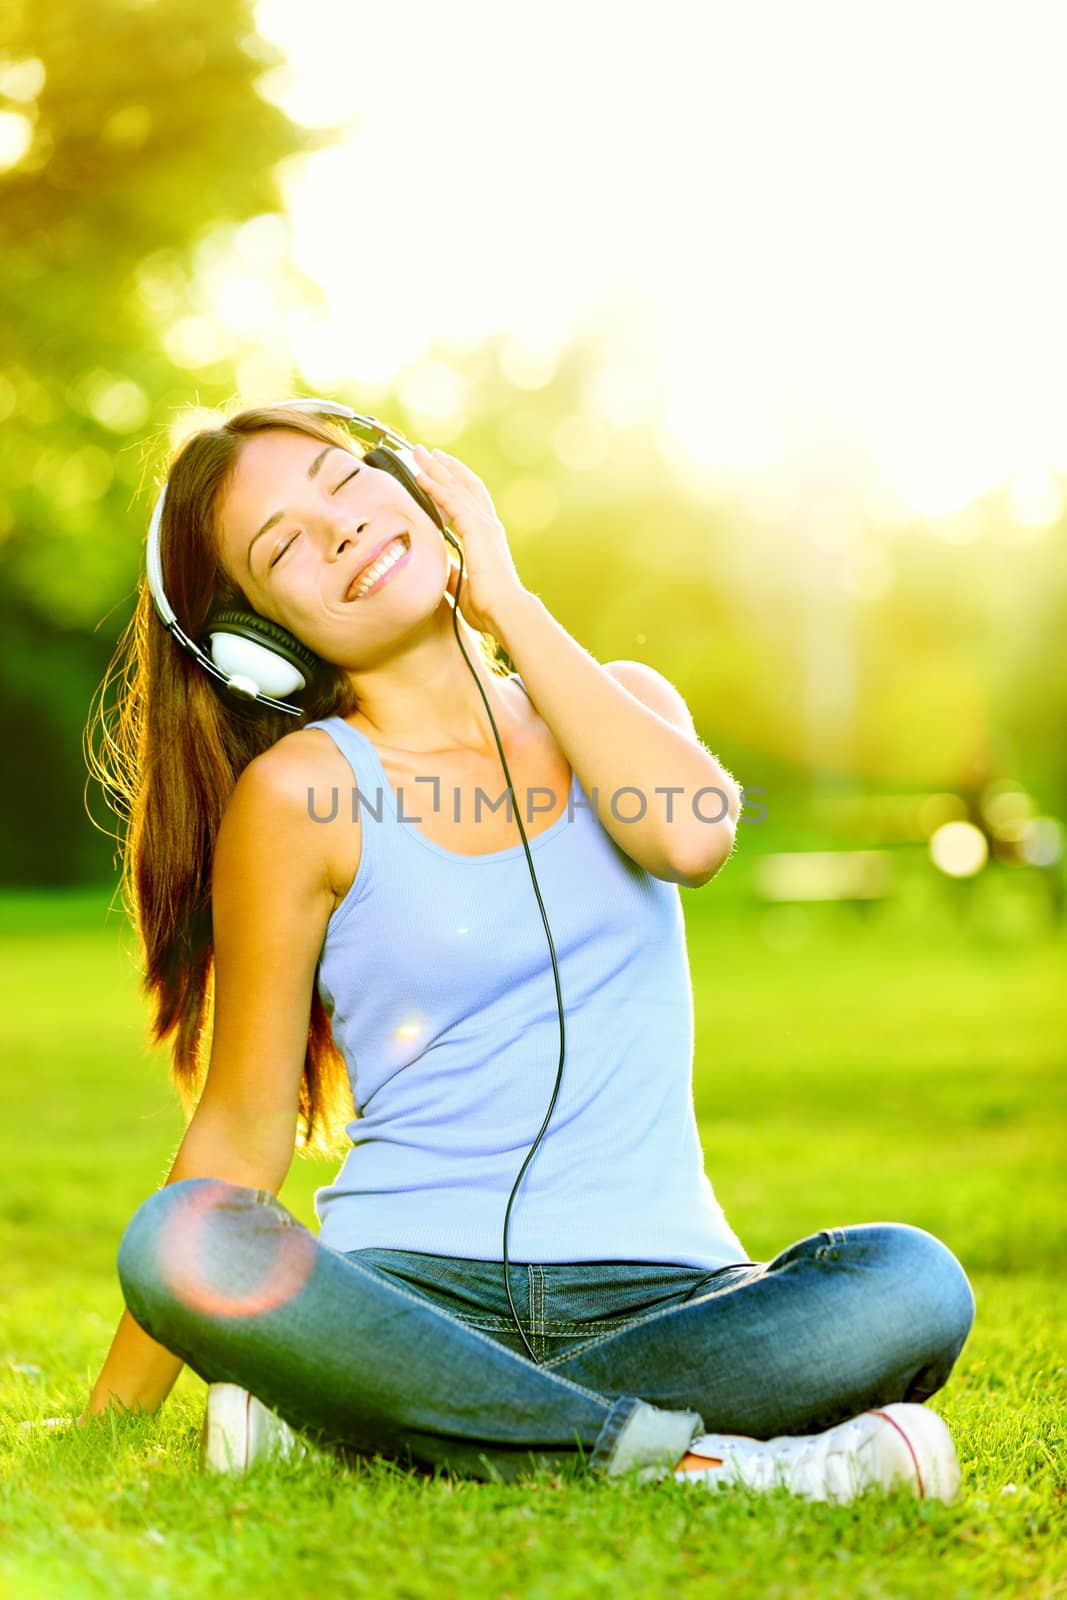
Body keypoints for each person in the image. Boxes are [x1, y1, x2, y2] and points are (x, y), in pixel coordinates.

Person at [79, 402, 976, 1500]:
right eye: (281, 547)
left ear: (413, 480)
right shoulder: (301, 795)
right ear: (259, 645)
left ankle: (386, 1421)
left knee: (909, 1282)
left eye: (341, 480)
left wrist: (500, 589)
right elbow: (245, 1120)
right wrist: (108, 1421)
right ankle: (694, 1466)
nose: (338, 529)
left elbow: (691, 835)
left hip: (671, 1294)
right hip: (409, 1295)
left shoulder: (625, 710)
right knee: (181, 1234)